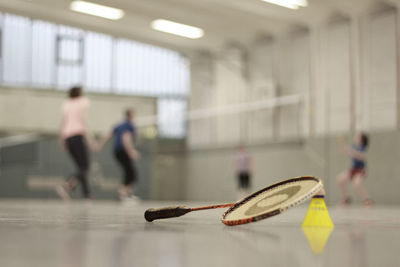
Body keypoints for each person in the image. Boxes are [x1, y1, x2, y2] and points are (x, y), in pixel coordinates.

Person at [56, 86, 94, 200]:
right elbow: (83, 119)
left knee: (80, 167)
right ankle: (67, 185)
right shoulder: (83, 102)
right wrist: (90, 138)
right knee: (85, 167)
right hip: (77, 135)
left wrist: (62, 140)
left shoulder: (66, 104)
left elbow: (63, 122)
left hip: (68, 137)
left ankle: (87, 194)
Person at [97, 108, 140, 200]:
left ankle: (127, 193)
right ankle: (123, 193)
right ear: (131, 115)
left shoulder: (120, 124)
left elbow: (108, 134)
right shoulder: (129, 125)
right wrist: (131, 151)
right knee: (130, 172)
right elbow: (126, 138)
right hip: (123, 150)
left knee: (128, 170)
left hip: (116, 151)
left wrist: (99, 144)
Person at [336, 133, 373, 207]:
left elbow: (362, 156)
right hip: (353, 169)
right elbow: (344, 151)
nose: (355, 137)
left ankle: (367, 200)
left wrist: (353, 152)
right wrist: (340, 142)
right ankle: (346, 199)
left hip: (361, 170)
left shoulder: (362, 148)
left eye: (358, 136)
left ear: (361, 139)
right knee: (340, 179)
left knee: (356, 184)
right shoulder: (353, 146)